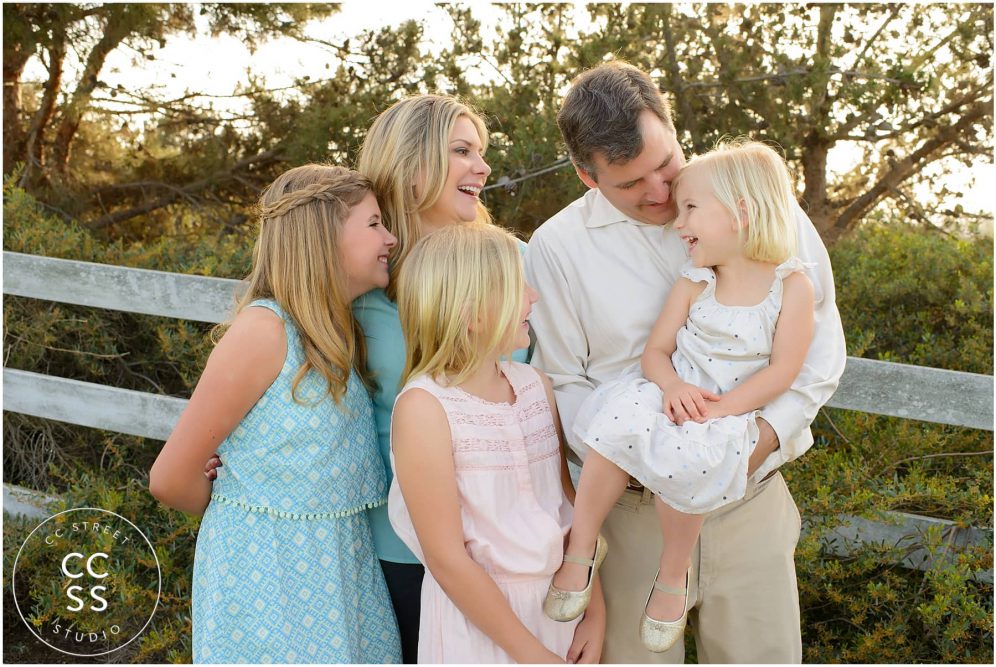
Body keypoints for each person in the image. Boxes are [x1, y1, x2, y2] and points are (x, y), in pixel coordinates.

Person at [525, 60, 847, 663]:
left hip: (749, 495)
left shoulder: (763, 205)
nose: (660, 193)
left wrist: (760, 440)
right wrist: (649, 457)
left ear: (673, 129)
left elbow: (820, 349)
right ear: (585, 175)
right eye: (629, 184)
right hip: (632, 516)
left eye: (665, 164)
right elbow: (561, 382)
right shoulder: (557, 248)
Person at [149, 165, 402, 663]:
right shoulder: (265, 331)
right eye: (374, 224)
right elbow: (170, 478)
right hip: (267, 578)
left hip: (343, 575)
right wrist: (246, 500)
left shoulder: (337, 332)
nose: (390, 238)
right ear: (322, 236)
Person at [352, 94, 532, 662]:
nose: (482, 167)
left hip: (514, 544)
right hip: (401, 548)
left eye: (481, 152)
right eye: (462, 151)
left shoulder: (510, 264)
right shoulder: (359, 280)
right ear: (411, 165)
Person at [387, 222, 604, 663]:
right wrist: (533, 656)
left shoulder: (534, 386)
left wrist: (594, 609)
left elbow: (571, 511)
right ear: (470, 312)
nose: (533, 296)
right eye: (517, 285)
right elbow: (447, 560)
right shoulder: (424, 409)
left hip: (561, 607)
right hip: (480, 626)